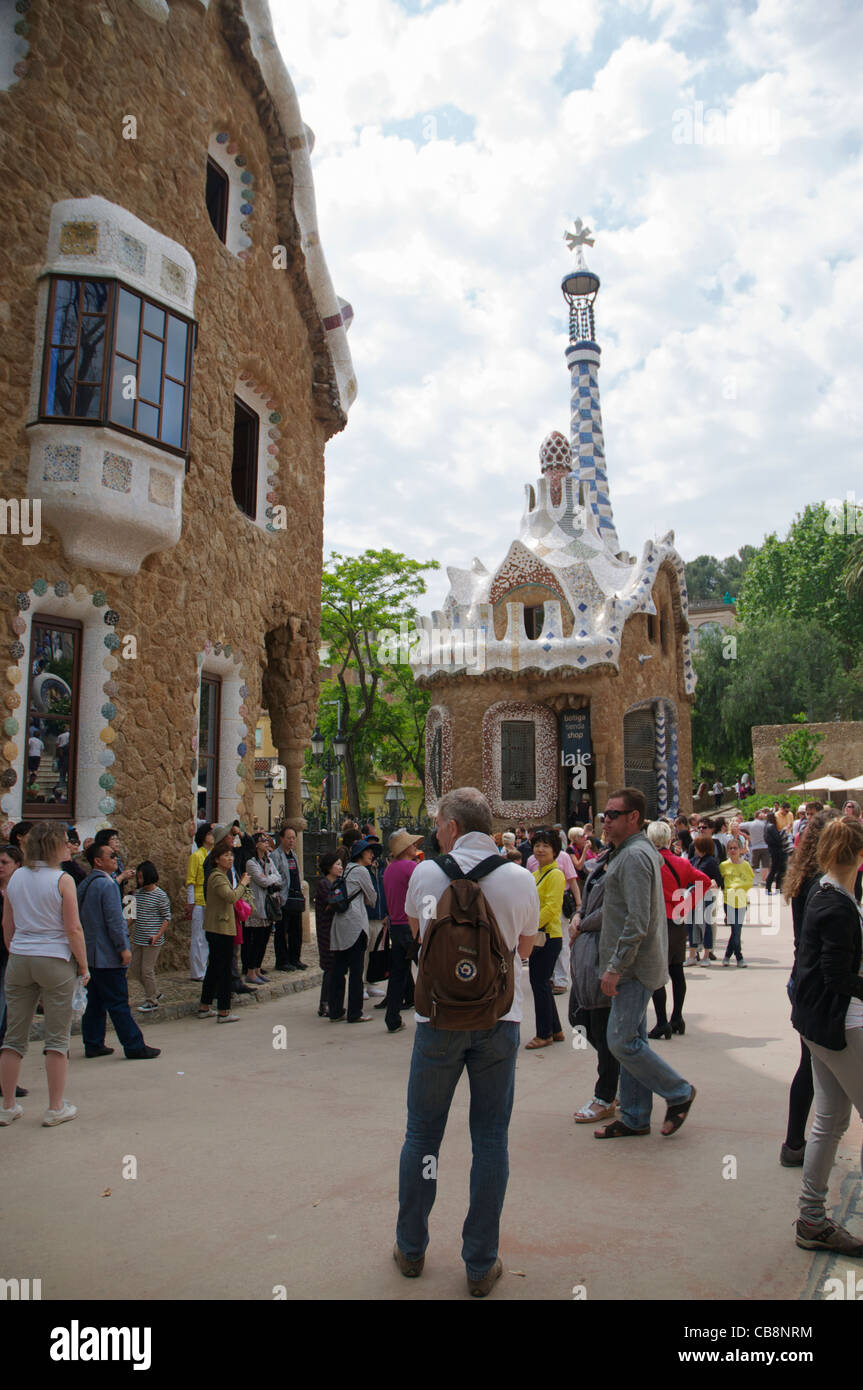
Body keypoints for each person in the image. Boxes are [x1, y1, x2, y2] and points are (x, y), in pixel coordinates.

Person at [395, 787, 539, 1297]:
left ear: (453, 826)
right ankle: (480, 1264)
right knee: (491, 1139)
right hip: (500, 1021)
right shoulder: (520, 878)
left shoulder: (426, 874)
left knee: (422, 1136)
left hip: (438, 1022)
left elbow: (417, 934)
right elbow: (524, 949)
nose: (435, 832)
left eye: (437, 823)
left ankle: (411, 1249)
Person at [593, 788, 696, 1140]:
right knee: (635, 1039)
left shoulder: (635, 856)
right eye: (604, 814)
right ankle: (636, 1116)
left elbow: (637, 921)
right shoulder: (629, 853)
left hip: (633, 968)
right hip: (631, 965)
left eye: (613, 814)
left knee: (621, 1042)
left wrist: (615, 967)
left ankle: (679, 1092)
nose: (605, 820)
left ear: (633, 817)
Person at [791, 816, 863, 1255]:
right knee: (829, 1122)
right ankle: (811, 1218)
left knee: (830, 1120)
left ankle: (812, 1219)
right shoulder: (835, 903)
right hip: (840, 1022)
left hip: (818, 1022)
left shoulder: (825, 889)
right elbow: (838, 975)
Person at [0, 823, 90, 1125]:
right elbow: (73, 928)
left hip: (20, 956)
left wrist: (17, 950)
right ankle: (55, 1107)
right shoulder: (62, 880)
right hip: (54, 957)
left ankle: (7, 1105)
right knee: (57, 1038)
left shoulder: (16, 878)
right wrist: (83, 965)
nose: (69, 846)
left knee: (14, 1037)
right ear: (54, 847)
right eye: (65, 842)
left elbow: (7, 926)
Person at [781, 812, 833, 1166]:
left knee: (810, 1064)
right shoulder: (823, 885)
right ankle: (798, 1143)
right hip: (815, 980)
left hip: (802, 975)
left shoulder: (804, 878)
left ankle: (795, 1143)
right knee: (817, 1064)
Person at [78, 841, 160, 1059]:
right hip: (107, 955)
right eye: (111, 856)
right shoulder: (106, 885)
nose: (116, 858)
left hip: (92, 953)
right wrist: (123, 948)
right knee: (117, 1001)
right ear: (98, 861)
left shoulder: (87, 883)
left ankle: (93, 1042)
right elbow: (114, 921)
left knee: (95, 1001)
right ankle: (134, 1045)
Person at [645, 822, 711, 1038]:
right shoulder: (680, 862)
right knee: (676, 970)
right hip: (677, 920)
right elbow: (704, 881)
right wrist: (686, 905)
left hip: (657, 920)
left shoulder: (649, 861)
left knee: (656, 973)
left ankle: (662, 1021)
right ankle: (677, 1017)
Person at [569, 845, 619, 1124]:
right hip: (586, 957)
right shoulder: (601, 863)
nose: (607, 821)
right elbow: (586, 903)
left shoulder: (629, 862)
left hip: (605, 956)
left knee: (603, 1027)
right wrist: (578, 916)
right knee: (578, 1016)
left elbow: (615, 911)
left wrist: (581, 923)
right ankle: (616, 1076)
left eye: (614, 815)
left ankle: (606, 1094)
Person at [198, 834, 251, 1023]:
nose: (230, 858)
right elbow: (231, 896)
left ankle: (205, 1005)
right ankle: (223, 1010)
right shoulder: (217, 877)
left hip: (218, 927)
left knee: (214, 968)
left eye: (231, 855)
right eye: (226, 855)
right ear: (216, 859)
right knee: (224, 969)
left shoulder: (220, 875)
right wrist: (243, 884)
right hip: (221, 928)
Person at [329, 838, 379, 1023]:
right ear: (361, 854)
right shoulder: (361, 871)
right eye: (369, 852)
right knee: (356, 971)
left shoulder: (345, 869)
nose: (372, 855)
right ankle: (355, 1012)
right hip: (356, 923)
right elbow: (372, 897)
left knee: (339, 969)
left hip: (340, 922)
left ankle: (335, 1010)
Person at [525, 829, 566, 1049]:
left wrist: (529, 927)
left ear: (555, 851)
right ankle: (556, 1029)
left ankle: (544, 1034)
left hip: (548, 936)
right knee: (540, 982)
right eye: (537, 845)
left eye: (546, 846)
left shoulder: (556, 874)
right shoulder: (536, 873)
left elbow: (551, 908)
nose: (540, 849)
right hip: (540, 935)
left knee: (539, 983)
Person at [382, 830, 423, 1034]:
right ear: (405, 848)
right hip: (410, 926)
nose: (415, 846)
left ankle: (392, 1017)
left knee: (398, 974)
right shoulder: (411, 867)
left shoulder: (390, 869)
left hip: (395, 925)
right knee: (427, 970)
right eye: (412, 844)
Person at [129, 861, 170, 1012]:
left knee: (147, 970)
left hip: (153, 940)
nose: (139, 881)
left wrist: (158, 935)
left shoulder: (160, 895)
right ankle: (155, 992)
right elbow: (131, 916)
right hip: (139, 937)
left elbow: (166, 918)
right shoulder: (137, 894)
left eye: (141, 877)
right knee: (135, 969)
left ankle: (151, 1000)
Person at [243, 833, 282, 986]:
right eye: (263, 841)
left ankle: (258, 969)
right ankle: (250, 971)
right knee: (256, 940)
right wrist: (270, 878)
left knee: (264, 940)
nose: (266, 843)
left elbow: (278, 877)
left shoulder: (269, 860)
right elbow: (263, 881)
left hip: (268, 906)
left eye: (267, 841)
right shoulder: (251, 863)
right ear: (256, 844)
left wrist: (270, 878)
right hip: (257, 906)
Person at [270, 825, 306, 972]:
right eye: (289, 838)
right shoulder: (276, 855)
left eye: (293, 838)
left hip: (295, 898)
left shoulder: (294, 855)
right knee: (281, 931)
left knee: (296, 930)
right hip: (283, 897)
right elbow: (274, 875)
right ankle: (282, 960)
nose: (291, 841)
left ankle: (295, 958)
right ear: (282, 838)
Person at [313, 851, 342, 1016]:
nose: (340, 867)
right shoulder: (324, 884)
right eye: (337, 864)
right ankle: (324, 1003)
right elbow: (336, 903)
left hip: (336, 929)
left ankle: (333, 1001)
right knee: (329, 967)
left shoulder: (337, 883)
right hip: (326, 930)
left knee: (336, 966)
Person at [718, 839, 754, 966]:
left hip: (742, 900)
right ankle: (739, 957)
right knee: (736, 929)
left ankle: (728, 955)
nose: (733, 850)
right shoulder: (723, 865)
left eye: (735, 848)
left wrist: (737, 886)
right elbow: (721, 882)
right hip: (729, 900)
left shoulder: (745, 865)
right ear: (727, 851)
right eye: (730, 848)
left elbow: (749, 881)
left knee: (736, 930)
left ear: (740, 850)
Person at [689, 832, 722, 965]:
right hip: (693, 895)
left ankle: (706, 955)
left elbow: (717, 880)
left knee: (706, 925)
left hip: (706, 896)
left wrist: (713, 883)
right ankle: (692, 954)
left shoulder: (711, 861)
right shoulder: (695, 859)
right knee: (692, 925)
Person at [185, 822, 213, 981]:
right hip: (198, 900)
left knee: (207, 937)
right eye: (210, 834)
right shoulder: (196, 856)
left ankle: (205, 967)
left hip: (210, 901)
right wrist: (190, 902)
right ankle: (197, 971)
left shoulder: (213, 855)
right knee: (198, 937)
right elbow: (191, 880)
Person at [764, 811, 787, 895]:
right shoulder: (772, 827)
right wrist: (784, 832)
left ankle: (770, 888)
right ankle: (777, 888)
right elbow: (778, 839)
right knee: (778, 870)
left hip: (772, 851)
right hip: (777, 851)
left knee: (774, 870)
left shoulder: (766, 826)